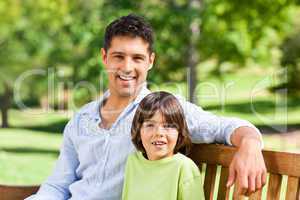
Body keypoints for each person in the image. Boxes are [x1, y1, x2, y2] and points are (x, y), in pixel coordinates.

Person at [26, 14, 266, 200]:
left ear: (151, 61)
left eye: (137, 58)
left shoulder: (163, 113)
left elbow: (224, 127)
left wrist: (251, 144)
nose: (127, 67)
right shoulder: (82, 119)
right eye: (118, 56)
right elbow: (59, 185)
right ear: (104, 57)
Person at [122, 91, 204, 200]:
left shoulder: (184, 167)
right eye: (150, 125)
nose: (159, 133)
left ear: (179, 132)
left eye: (168, 125)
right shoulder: (133, 161)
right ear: (138, 130)